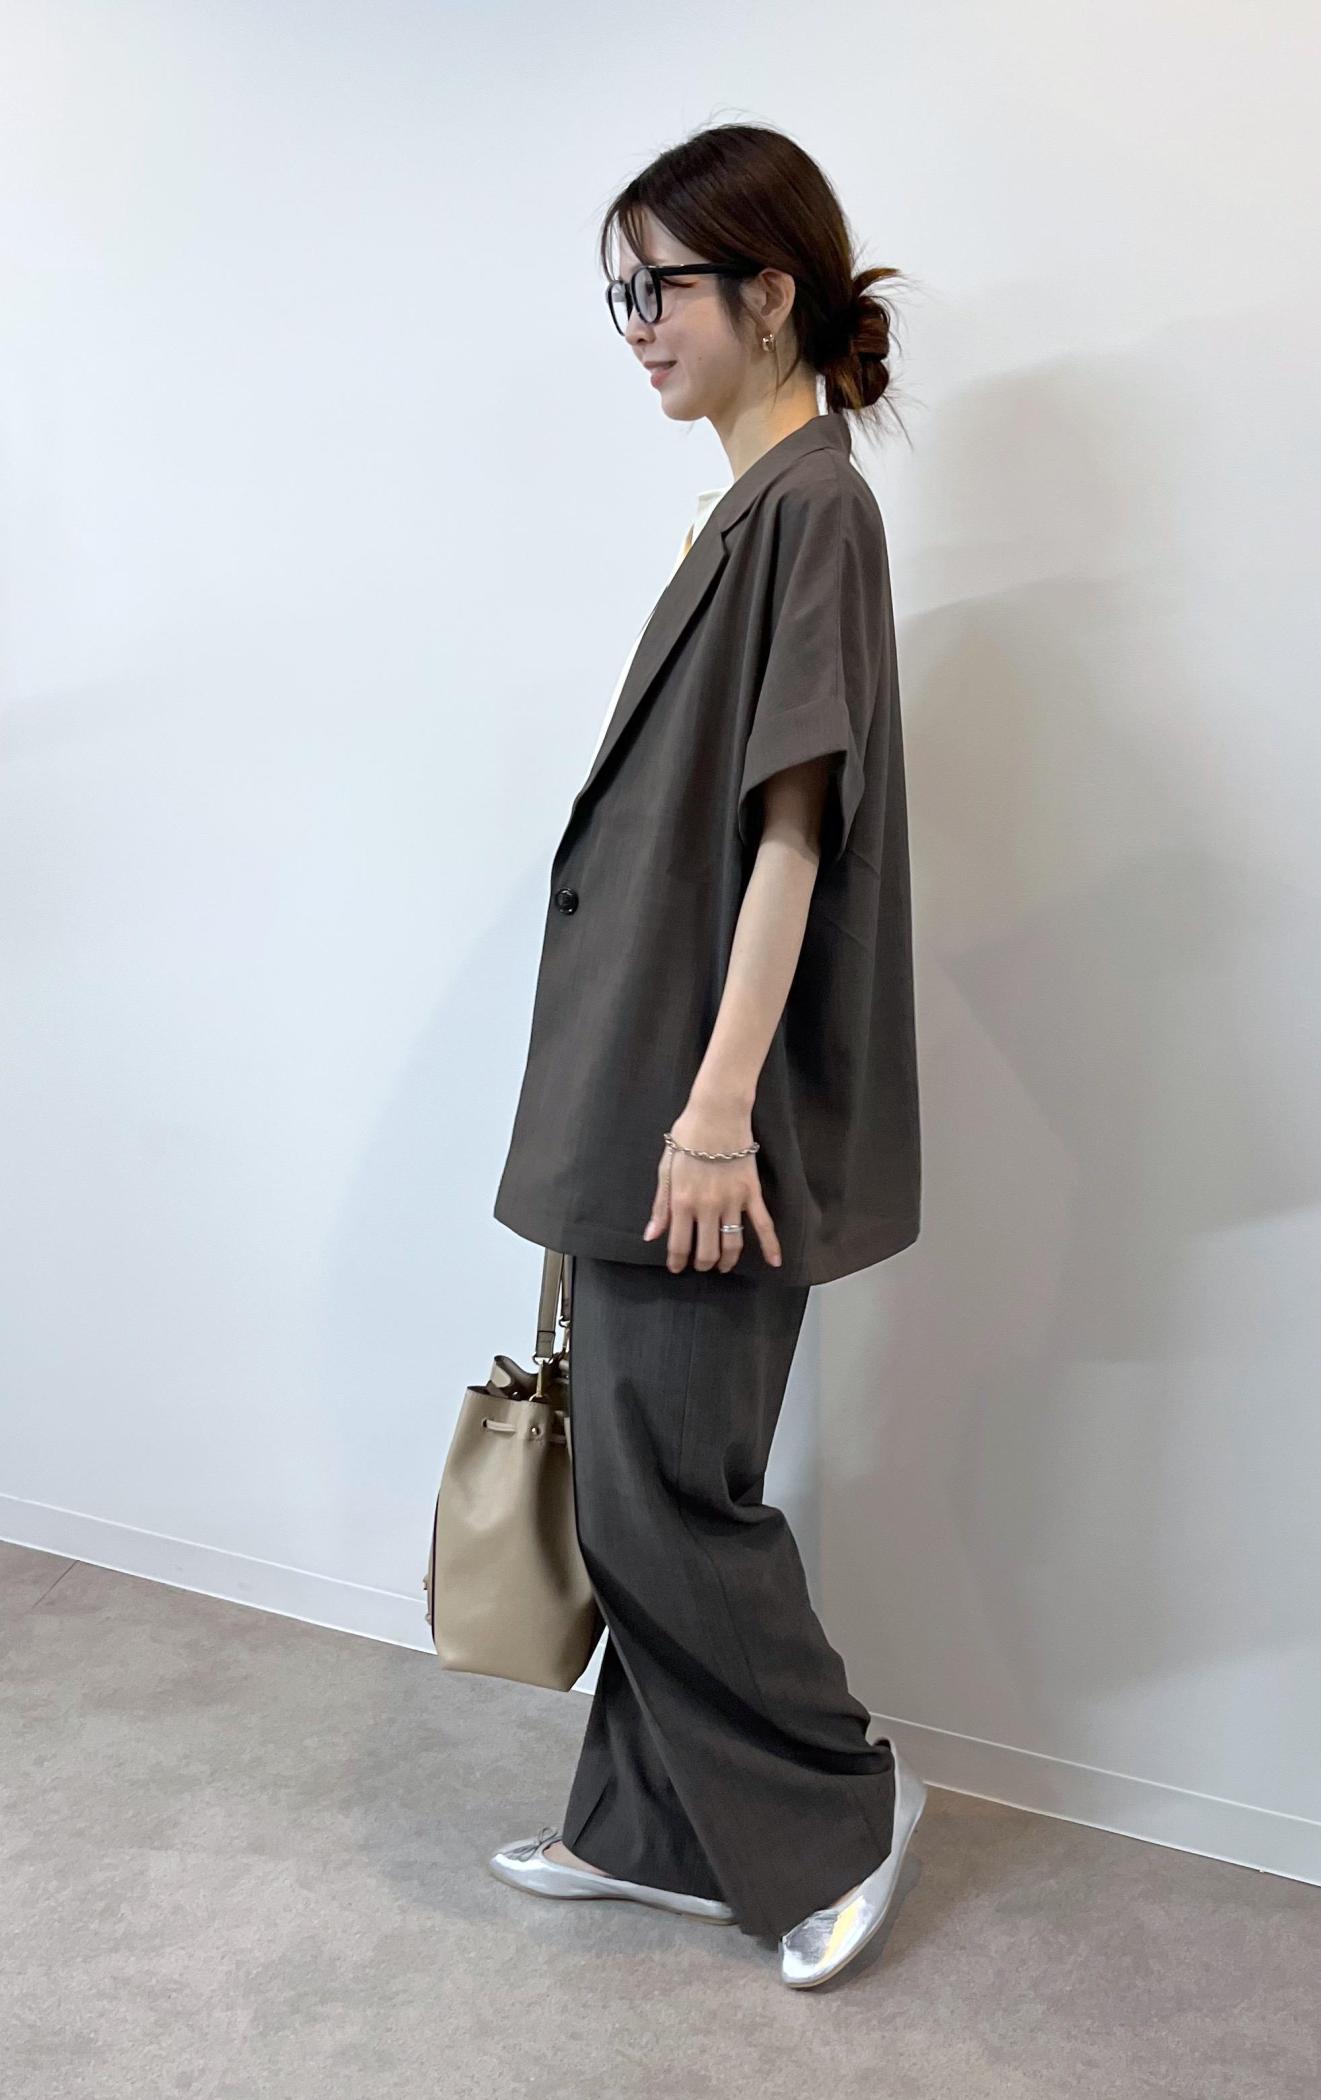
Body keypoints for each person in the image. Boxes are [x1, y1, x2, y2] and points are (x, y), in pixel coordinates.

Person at [486, 123, 925, 1989]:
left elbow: (795, 833)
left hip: (701, 1104)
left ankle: (844, 1805)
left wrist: (720, 1111)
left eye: (658, 288)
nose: (637, 328)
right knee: (633, 1477)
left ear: (769, 287)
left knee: (671, 1488)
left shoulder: (815, 509)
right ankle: (649, 1831)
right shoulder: (752, 507)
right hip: (648, 1083)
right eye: (620, 296)